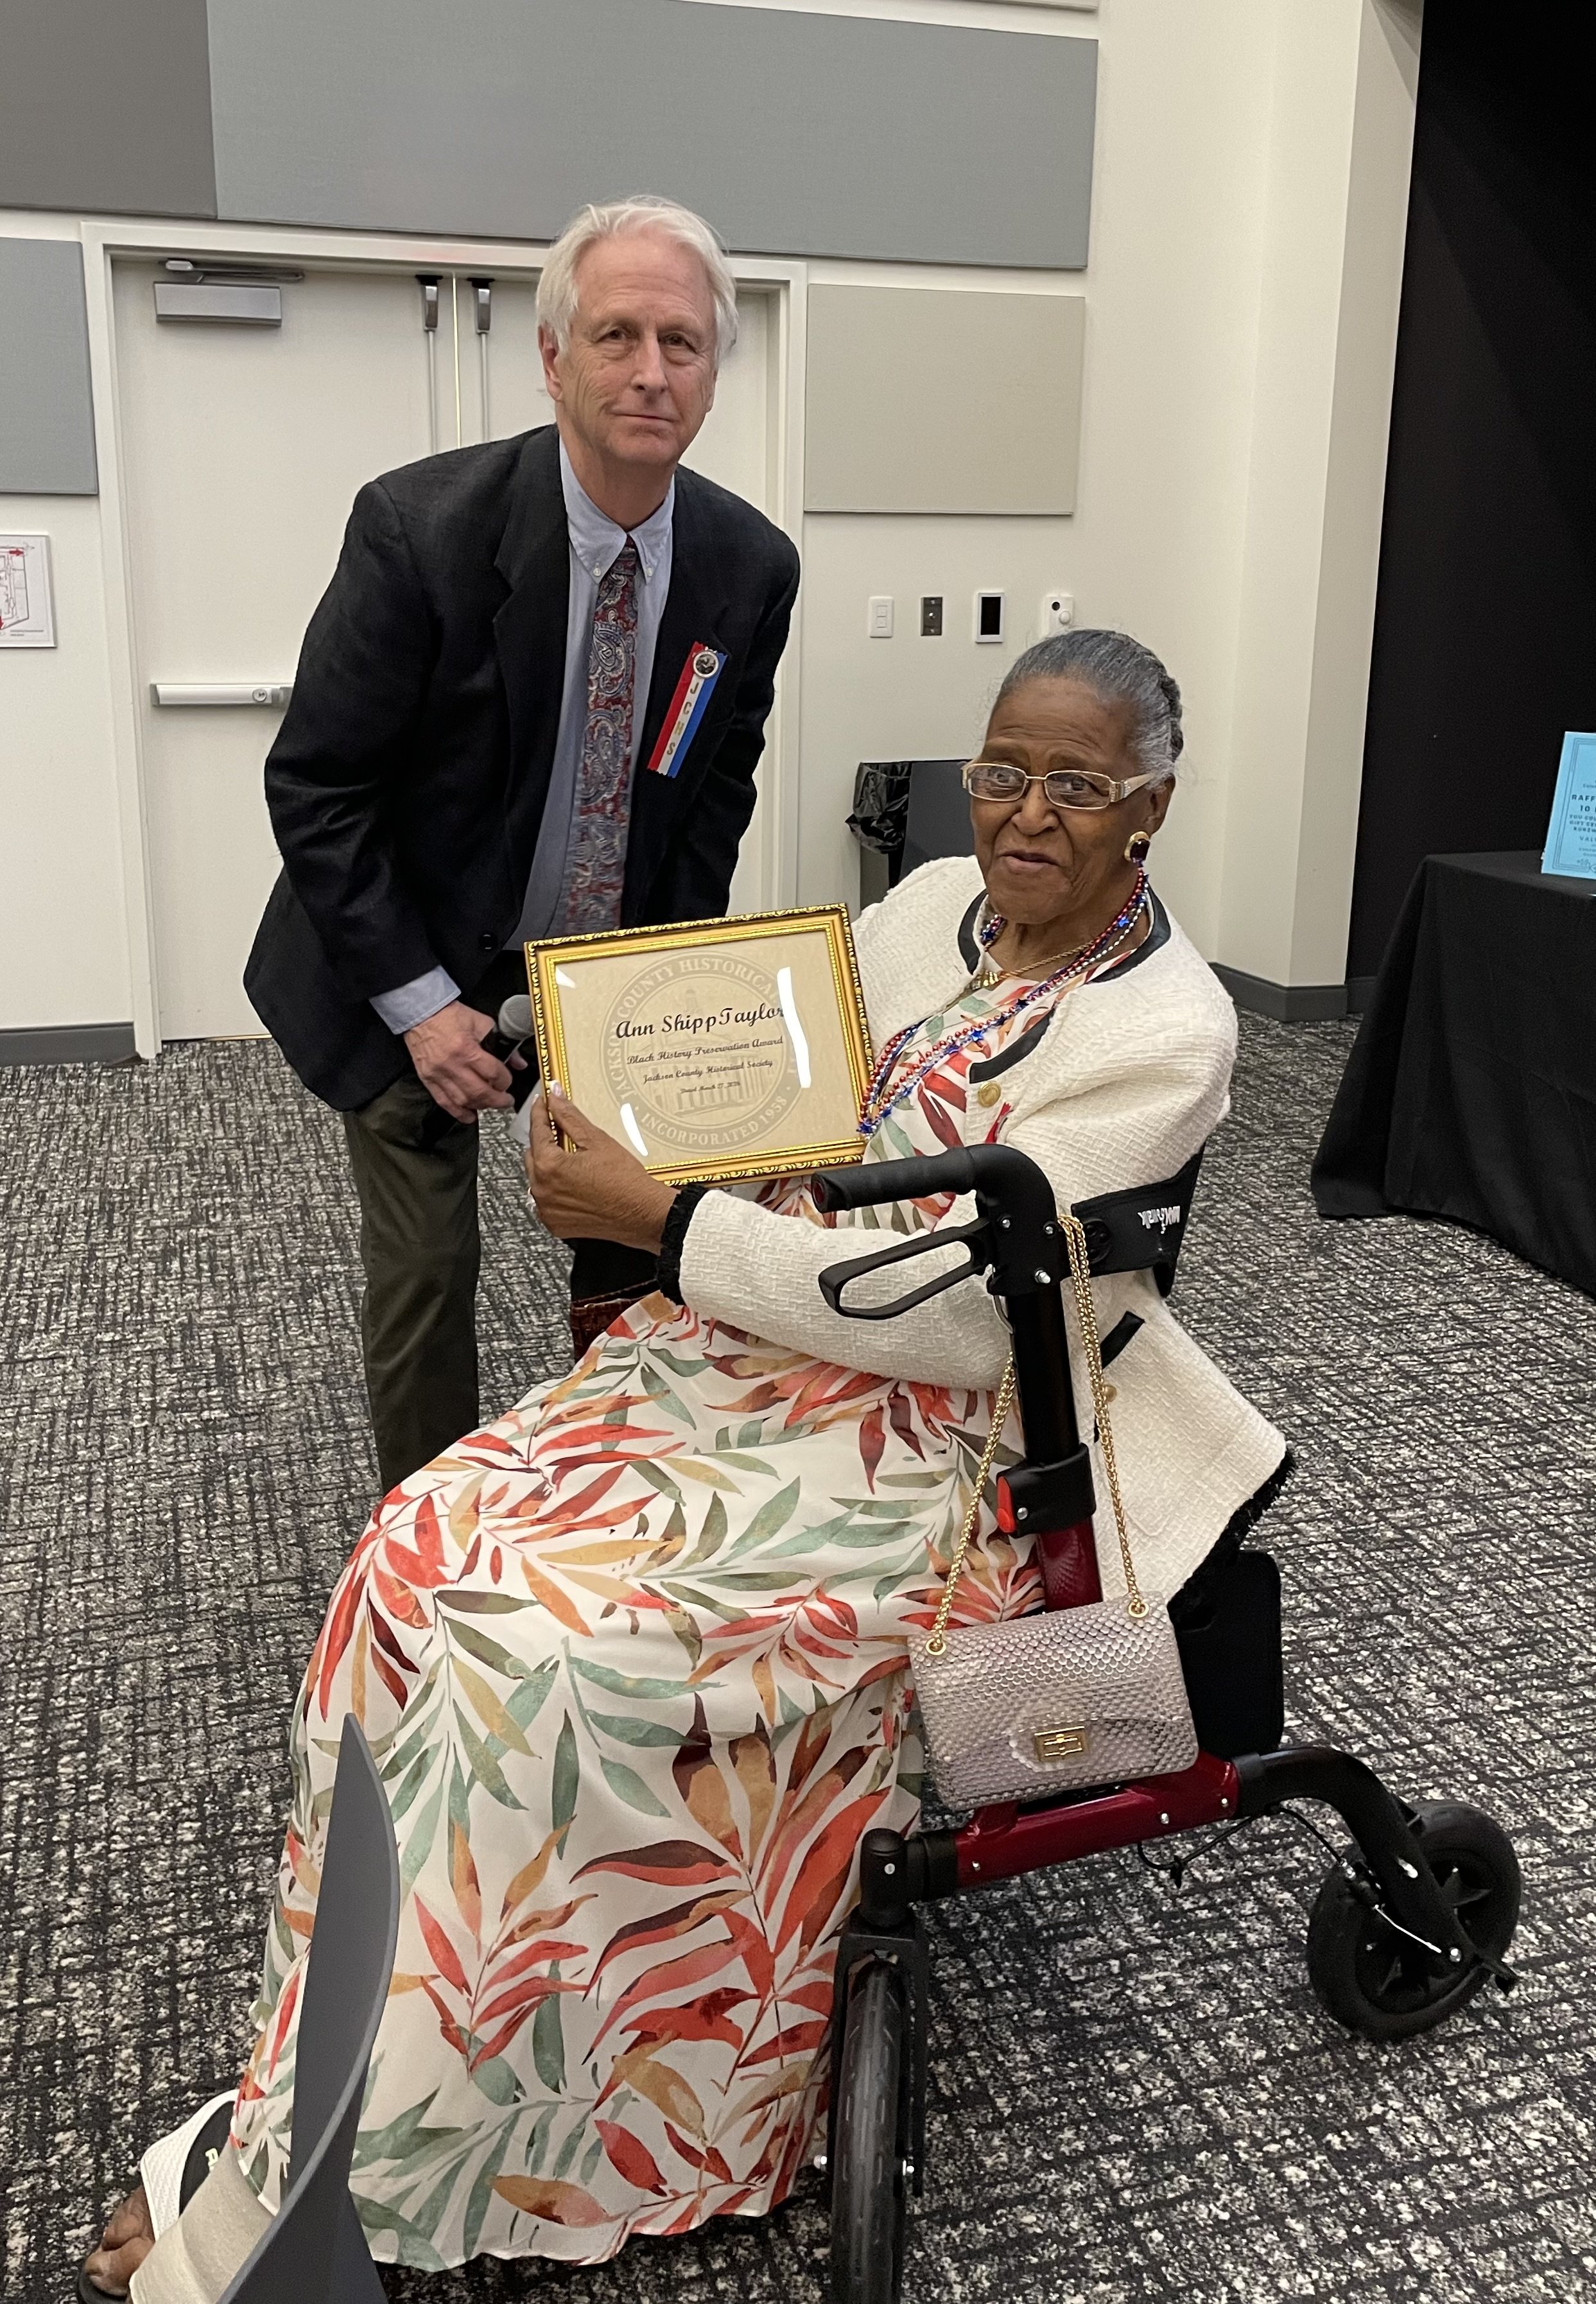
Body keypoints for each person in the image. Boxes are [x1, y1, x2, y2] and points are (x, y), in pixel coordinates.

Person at [89, 630, 1287, 2297]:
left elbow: (953, 1319)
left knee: (547, 1651)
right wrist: (648, 1099)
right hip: (742, 1351)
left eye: (1073, 787)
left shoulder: (1166, 1030)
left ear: (1145, 806)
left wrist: (663, 1214)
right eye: (1002, 769)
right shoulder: (916, 904)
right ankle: (336, 2098)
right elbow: (788, 1077)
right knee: (416, 1550)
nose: (1022, 815)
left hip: (942, 1442)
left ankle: (512, 2124)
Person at [243, 195, 801, 1493]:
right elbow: (317, 785)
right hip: (407, 954)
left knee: (637, 1249)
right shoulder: (418, 533)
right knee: (430, 1272)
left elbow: (711, 795)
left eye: (681, 340)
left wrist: (656, 998)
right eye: (616, 335)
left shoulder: (747, 565)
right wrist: (427, 1011)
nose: (649, 370)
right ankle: (429, 1559)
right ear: (554, 358)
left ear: (716, 370)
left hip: (606, 966)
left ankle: (616, 1512)